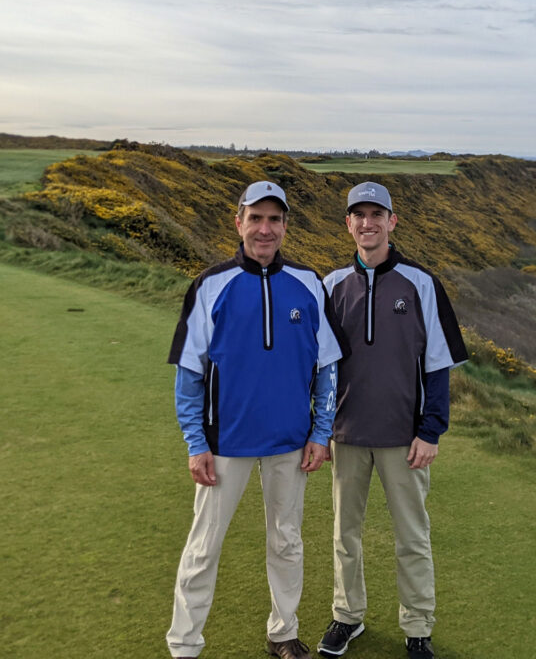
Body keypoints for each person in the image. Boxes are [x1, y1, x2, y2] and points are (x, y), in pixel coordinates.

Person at [166, 181, 348, 659]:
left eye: (274, 219)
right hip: (224, 442)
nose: (265, 229)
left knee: (287, 542)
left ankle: (283, 632)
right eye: (256, 218)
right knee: (204, 547)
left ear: (285, 225)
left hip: (291, 441)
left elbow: (327, 365)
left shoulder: (309, 284)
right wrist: (194, 441)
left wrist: (321, 432)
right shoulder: (211, 284)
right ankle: (185, 645)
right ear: (238, 221)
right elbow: (190, 374)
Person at [318, 182, 467, 659]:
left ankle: (418, 626)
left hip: (405, 438)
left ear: (392, 221)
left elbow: (438, 364)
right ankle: (347, 616)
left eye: (376, 214)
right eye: (358, 214)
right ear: (348, 223)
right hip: (347, 434)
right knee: (345, 533)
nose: (368, 223)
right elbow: (319, 366)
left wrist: (431, 430)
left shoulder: (421, 283)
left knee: (412, 536)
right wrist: (319, 429)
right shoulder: (330, 285)